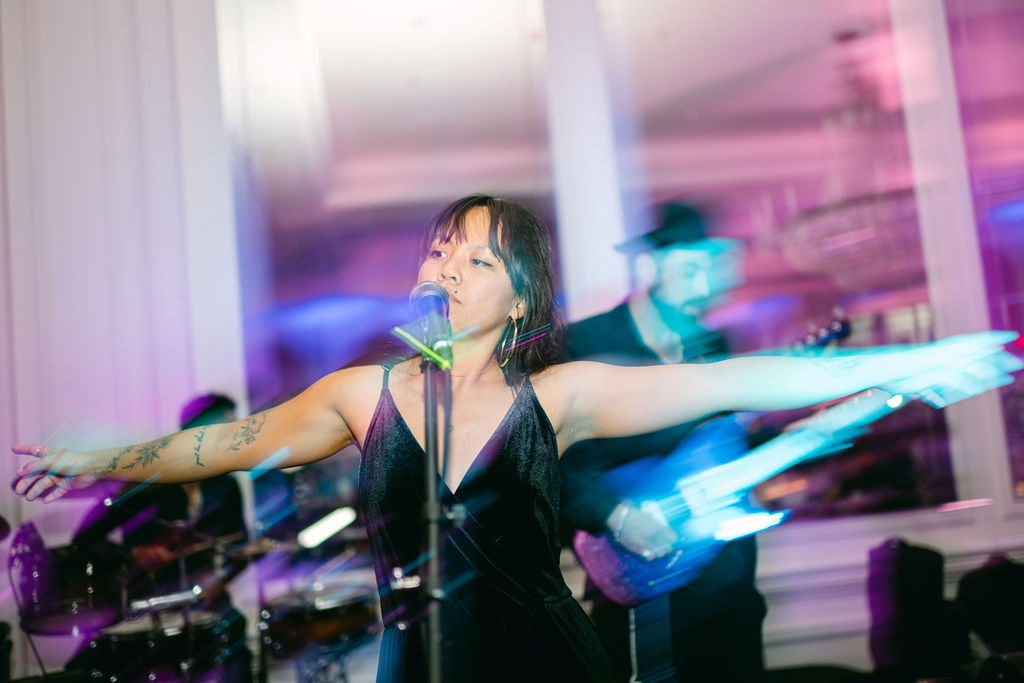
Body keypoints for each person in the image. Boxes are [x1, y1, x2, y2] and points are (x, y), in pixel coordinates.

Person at [11, 194, 1019, 683]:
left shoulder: (564, 391)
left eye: (480, 253)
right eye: (444, 246)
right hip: (417, 661)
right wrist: (113, 455)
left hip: (547, 659)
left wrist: (904, 365)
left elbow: (733, 377)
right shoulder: (366, 393)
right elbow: (232, 441)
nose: (452, 261)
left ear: (520, 289)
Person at [560, 202, 765, 682]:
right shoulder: (583, 345)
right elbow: (543, 459)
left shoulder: (717, 349)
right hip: (640, 575)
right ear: (649, 266)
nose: (702, 288)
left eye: (709, 269)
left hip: (728, 579)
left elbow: (720, 450)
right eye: (688, 270)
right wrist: (614, 515)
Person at [69, 393, 252, 681]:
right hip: (146, 601)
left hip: (202, 600)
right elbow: (84, 540)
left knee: (237, 645)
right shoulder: (149, 481)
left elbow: (240, 545)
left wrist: (220, 577)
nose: (234, 436)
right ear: (196, 431)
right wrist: (132, 555)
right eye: (226, 427)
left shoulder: (226, 485)